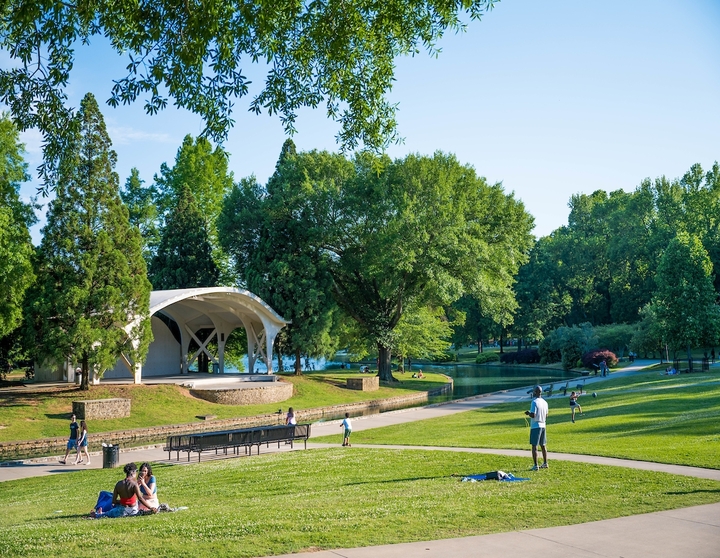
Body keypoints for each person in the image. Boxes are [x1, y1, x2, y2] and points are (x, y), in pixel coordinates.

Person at [524, 385, 549, 470]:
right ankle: (545, 463)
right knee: (543, 445)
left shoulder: (534, 402)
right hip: (543, 425)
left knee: (534, 446)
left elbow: (533, 414)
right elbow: (546, 415)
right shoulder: (545, 402)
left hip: (536, 426)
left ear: (535, 392)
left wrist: (528, 413)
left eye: (534, 391)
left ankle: (535, 465)